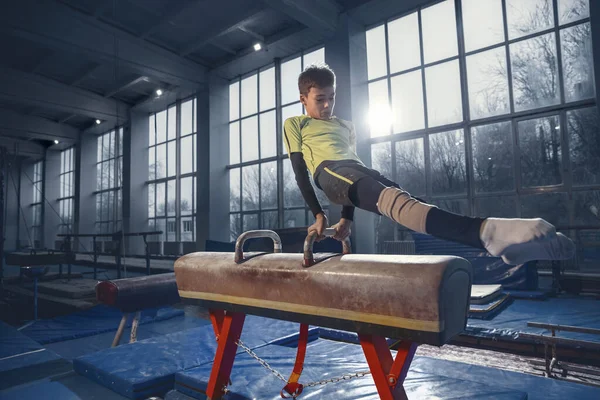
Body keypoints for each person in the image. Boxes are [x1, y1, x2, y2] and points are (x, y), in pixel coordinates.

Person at [283, 63, 575, 265]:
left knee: (403, 198)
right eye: (319, 99)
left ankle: (494, 244)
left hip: (354, 171)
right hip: (329, 171)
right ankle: (487, 233)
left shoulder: (346, 124)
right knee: (393, 200)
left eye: (331, 98)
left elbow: (354, 176)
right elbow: (300, 171)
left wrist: (347, 218)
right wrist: (319, 214)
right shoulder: (296, 123)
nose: (326, 105)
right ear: (303, 99)